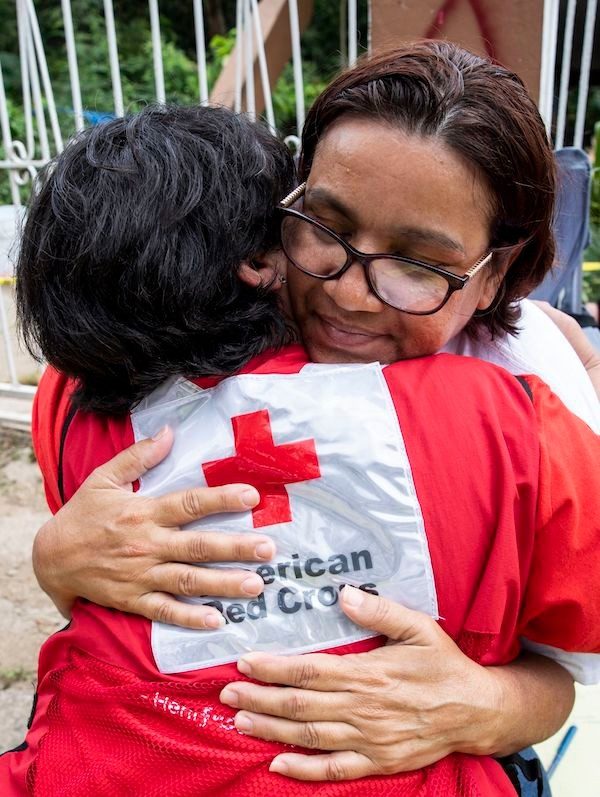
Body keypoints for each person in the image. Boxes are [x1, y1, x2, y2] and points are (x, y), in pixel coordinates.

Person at [9, 41, 599, 792]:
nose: (350, 295)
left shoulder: (527, 387)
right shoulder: (154, 348)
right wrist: (55, 556)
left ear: (498, 276)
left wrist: (485, 702)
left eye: (419, 265)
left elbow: (566, 665)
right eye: (324, 225)